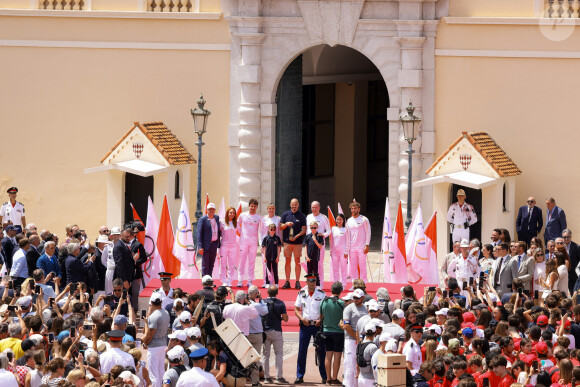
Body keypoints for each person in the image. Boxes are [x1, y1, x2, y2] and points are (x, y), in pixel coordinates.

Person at [293, 273, 326, 384]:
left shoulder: (321, 294)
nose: (312, 283)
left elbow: (325, 309)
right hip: (305, 325)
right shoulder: (301, 294)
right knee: (302, 351)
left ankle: (324, 376)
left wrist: (321, 320)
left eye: (314, 280)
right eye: (310, 281)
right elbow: (296, 309)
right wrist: (302, 319)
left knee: (321, 351)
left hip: (317, 326)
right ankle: (300, 375)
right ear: (306, 282)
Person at [319, 281, 345, 385]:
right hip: (338, 332)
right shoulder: (342, 303)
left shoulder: (324, 301)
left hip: (326, 331)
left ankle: (328, 378)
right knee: (337, 356)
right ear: (340, 291)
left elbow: (320, 316)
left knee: (328, 355)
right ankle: (334, 378)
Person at [262, 285, 288, 384]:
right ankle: (279, 377)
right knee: (279, 355)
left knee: (265, 355)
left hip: (266, 331)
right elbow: (285, 319)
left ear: (267, 292)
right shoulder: (281, 303)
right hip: (276, 330)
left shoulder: (263, 302)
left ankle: (266, 377)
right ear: (277, 293)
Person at [144, 291, 171, 387]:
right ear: (161, 302)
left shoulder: (153, 316)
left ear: (151, 302)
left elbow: (150, 334)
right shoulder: (166, 313)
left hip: (154, 347)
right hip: (163, 345)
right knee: (161, 372)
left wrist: (145, 343)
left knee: (153, 374)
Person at [342, 288, 368, 386]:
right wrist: (356, 338)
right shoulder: (349, 308)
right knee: (350, 364)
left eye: (357, 298)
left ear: (363, 298)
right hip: (351, 340)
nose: (355, 299)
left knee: (360, 363)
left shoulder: (366, 308)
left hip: (362, 339)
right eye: (354, 297)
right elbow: (346, 326)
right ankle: (348, 384)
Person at [280, 198, 307, 289]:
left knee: (297, 262)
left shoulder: (302, 215)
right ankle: (287, 281)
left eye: (295, 204)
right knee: (287, 262)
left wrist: (297, 236)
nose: (294, 206)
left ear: (298, 205)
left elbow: (304, 229)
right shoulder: (285, 214)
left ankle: (297, 281)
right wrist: (286, 224)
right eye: (292, 204)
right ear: (290, 205)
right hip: (287, 242)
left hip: (298, 243)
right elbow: (280, 227)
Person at [235, 198, 261, 287]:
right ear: (249, 206)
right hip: (243, 242)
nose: (253, 208)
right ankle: (240, 280)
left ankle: (250, 281)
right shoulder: (242, 215)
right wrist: (241, 234)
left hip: (253, 243)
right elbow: (237, 225)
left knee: (251, 262)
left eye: (254, 206)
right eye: (251, 206)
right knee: (242, 261)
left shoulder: (258, 217)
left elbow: (260, 231)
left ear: (257, 207)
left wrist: (260, 243)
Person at [246, 286, 268, 387]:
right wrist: (261, 299)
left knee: (246, 357)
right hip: (256, 334)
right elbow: (265, 311)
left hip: (246, 334)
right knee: (255, 359)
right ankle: (255, 381)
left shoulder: (244, 305)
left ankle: (246, 376)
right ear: (256, 294)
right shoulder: (257, 305)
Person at [345, 201, 371, 284]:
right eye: (352, 209)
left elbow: (368, 232)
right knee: (353, 267)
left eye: (355, 208)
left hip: (362, 247)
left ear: (359, 209)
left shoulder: (364, 219)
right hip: (352, 248)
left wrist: (367, 245)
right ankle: (354, 284)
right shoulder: (348, 221)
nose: (353, 210)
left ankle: (364, 283)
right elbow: (347, 235)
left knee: (362, 266)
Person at [306, 201, 331, 287]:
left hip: (319, 245)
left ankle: (320, 284)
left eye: (316, 207)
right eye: (312, 207)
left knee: (319, 264)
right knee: (309, 263)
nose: (314, 209)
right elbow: (307, 231)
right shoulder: (308, 217)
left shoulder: (323, 217)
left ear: (319, 208)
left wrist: (323, 235)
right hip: (309, 244)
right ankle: (310, 283)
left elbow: (329, 230)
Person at [197, 202, 221, 277]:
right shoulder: (203, 219)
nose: (211, 211)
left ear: (215, 210)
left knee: (211, 263)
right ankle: (205, 280)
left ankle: (209, 280)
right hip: (206, 245)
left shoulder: (217, 218)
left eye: (213, 209)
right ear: (207, 210)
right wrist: (200, 246)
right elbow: (199, 233)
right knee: (205, 264)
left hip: (214, 244)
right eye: (210, 209)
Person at [260, 203, 282, 286]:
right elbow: (261, 232)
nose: (271, 210)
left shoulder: (278, 219)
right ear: (267, 209)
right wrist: (261, 245)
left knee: (274, 266)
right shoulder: (263, 219)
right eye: (269, 208)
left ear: (274, 209)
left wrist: (279, 244)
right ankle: (266, 282)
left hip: (274, 244)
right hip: (266, 244)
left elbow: (279, 232)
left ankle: (274, 282)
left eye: (272, 208)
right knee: (265, 265)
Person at [129, 223, 147, 312]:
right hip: (126, 272)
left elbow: (144, 258)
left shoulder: (138, 244)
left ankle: (135, 309)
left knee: (135, 292)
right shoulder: (124, 244)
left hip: (136, 272)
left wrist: (136, 262)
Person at [219, 207, 238, 286]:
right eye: (230, 213)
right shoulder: (222, 222)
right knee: (223, 264)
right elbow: (218, 233)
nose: (232, 214)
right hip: (224, 246)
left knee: (231, 264)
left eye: (233, 213)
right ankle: (223, 280)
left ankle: (229, 280)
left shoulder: (235, 223)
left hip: (233, 246)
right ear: (227, 213)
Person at [330, 213, 348, 288]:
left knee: (343, 268)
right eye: (337, 219)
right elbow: (331, 241)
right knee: (335, 268)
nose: (338, 221)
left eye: (340, 219)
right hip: (335, 252)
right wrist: (331, 250)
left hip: (343, 252)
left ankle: (343, 284)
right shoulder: (333, 229)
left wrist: (346, 251)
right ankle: (336, 284)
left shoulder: (345, 229)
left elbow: (347, 241)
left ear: (343, 220)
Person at [303, 221, 324, 287]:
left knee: (315, 272)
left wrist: (315, 240)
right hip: (309, 257)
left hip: (315, 257)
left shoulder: (319, 236)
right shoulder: (307, 236)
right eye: (312, 228)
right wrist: (306, 256)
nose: (313, 229)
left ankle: (317, 285)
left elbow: (320, 247)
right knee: (309, 272)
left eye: (314, 227)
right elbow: (305, 247)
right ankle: (308, 285)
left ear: (317, 228)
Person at [104, 226, 120, 295]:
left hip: (119, 270)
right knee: (109, 291)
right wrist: (109, 266)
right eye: (115, 235)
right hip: (110, 270)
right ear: (112, 236)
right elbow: (103, 259)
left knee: (118, 289)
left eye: (117, 235)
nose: (116, 236)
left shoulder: (122, 245)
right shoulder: (108, 246)